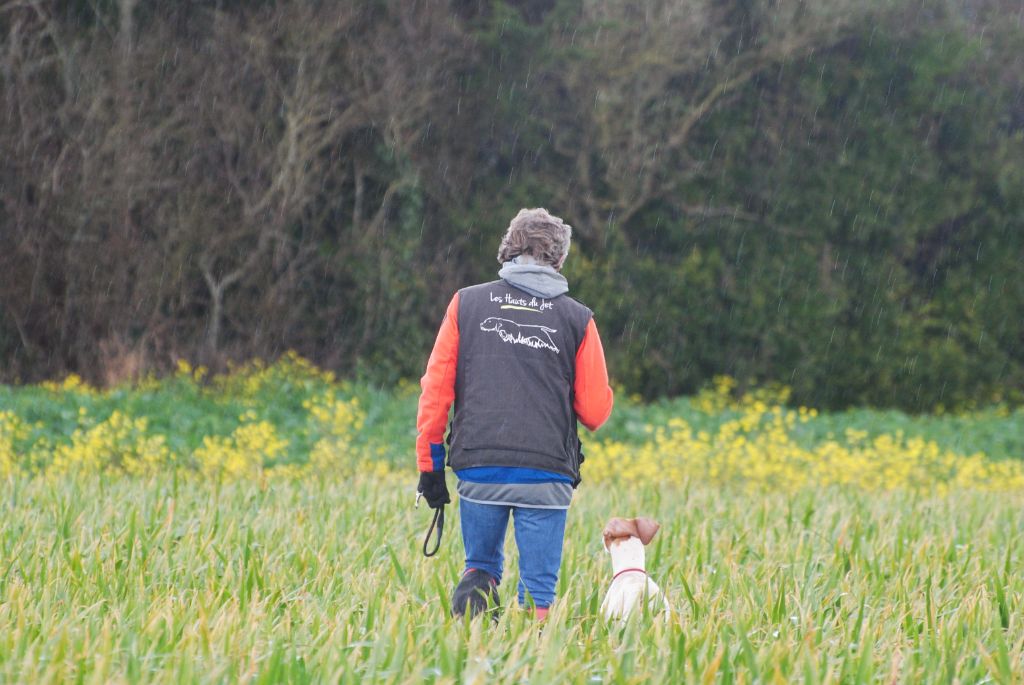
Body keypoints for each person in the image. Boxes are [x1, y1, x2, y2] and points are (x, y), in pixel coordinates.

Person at [415, 207, 614, 620]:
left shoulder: (466, 304)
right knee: (539, 593)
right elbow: (594, 411)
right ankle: (533, 652)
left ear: (507, 250)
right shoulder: (578, 319)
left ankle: (473, 631)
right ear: (558, 259)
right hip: (546, 472)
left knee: (481, 568)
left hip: (480, 465)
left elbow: (435, 393)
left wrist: (430, 467)